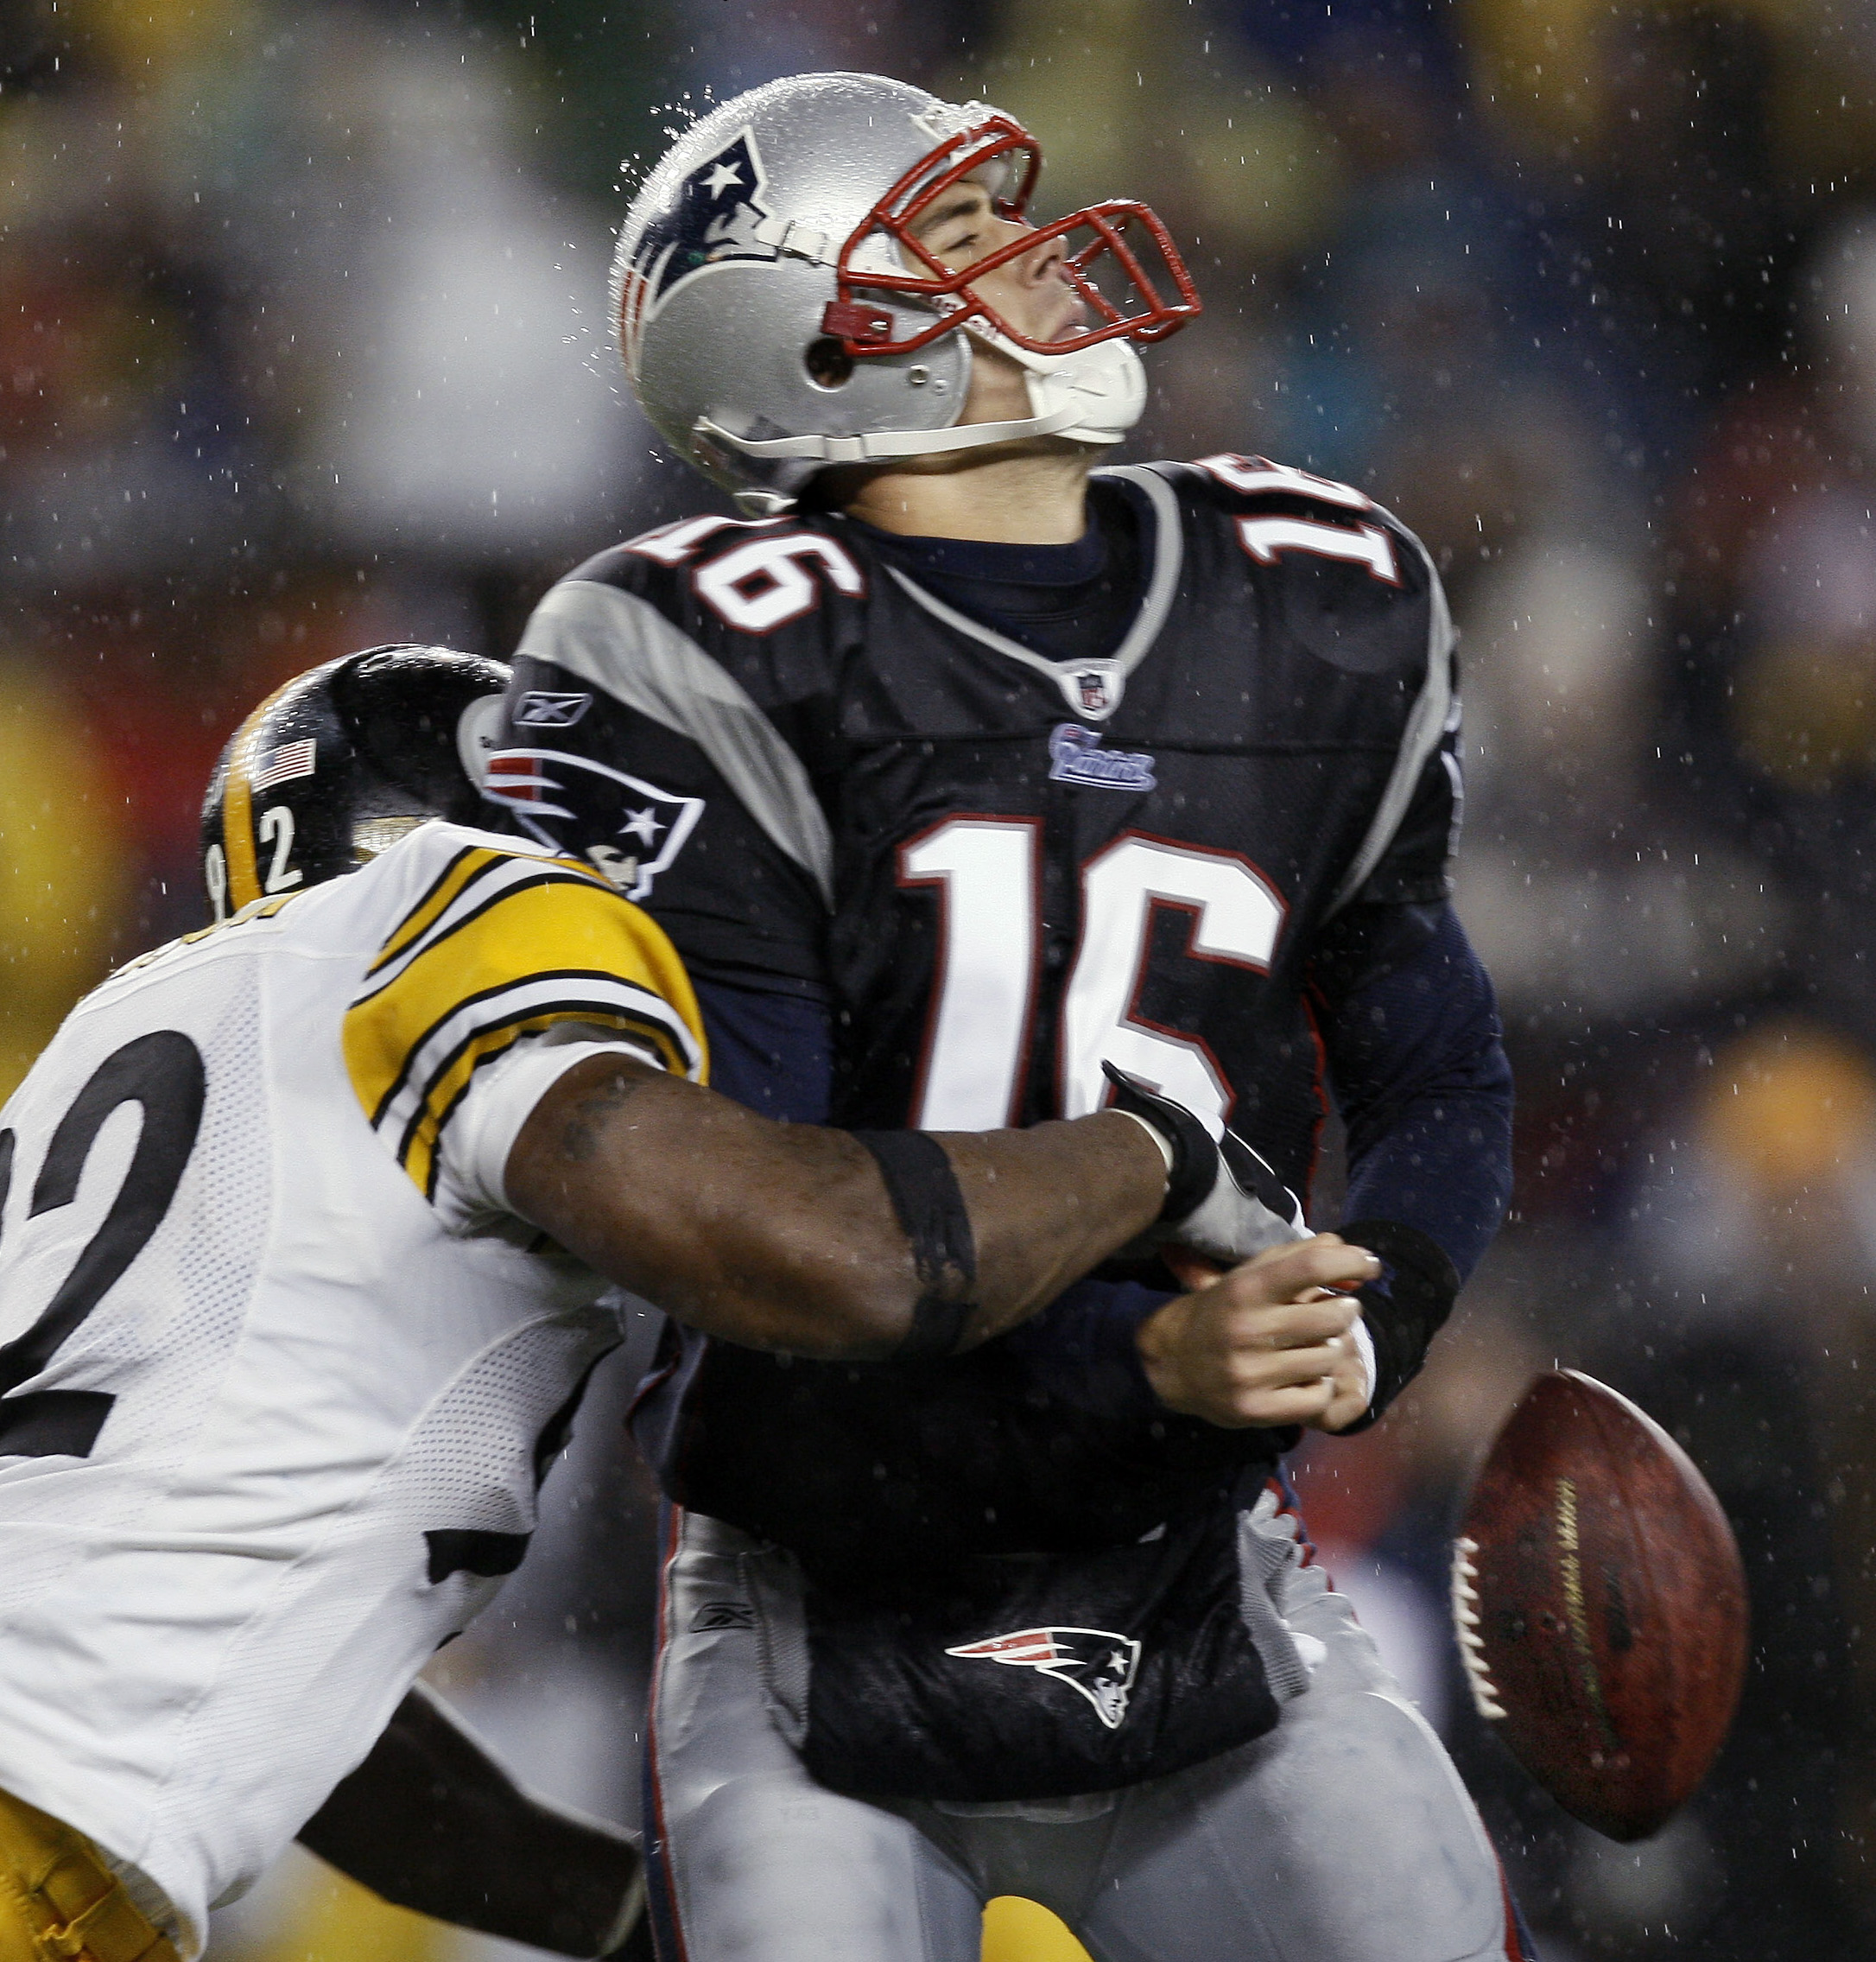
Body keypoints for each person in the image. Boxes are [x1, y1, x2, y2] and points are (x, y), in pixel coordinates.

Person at [489, 72, 1524, 1962]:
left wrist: (1365, 1331)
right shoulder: (707, 644)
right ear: (820, 343)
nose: (1034, 259)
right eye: (953, 239)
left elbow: (1435, 1056)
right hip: (823, 1621)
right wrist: (1142, 1365)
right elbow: (771, 1271)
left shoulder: (1313, 588)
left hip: (1204, 1574)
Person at [0, 642, 1309, 1962]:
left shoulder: (122, 1031)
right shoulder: (469, 902)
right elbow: (837, 1257)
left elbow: (245, 1668)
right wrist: (1154, 1156)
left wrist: (629, 1920)